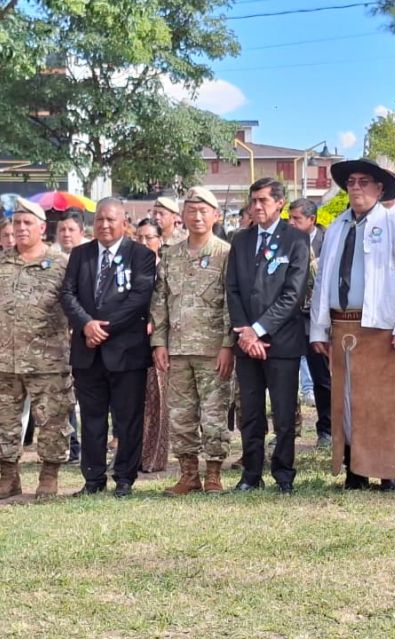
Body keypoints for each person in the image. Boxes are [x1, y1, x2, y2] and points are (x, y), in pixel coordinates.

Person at [310, 158, 395, 491]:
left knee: (386, 402)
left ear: (379, 188)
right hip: (342, 325)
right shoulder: (336, 227)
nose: (356, 188)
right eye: (351, 183)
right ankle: (356, 470)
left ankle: (390, 471)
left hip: (382, 327)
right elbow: (322, 281)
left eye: (364, 182)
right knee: (347, 402)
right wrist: (318, 329)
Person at [60, 198, 156, 498]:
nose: (104, 225)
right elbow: (67, 294)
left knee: (128, 419)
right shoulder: (80, 254)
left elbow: (139, 298)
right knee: (91, 419)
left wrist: (102, 329)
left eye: (110, 220)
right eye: (99, 219)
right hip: (87, 352)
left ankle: (124, 478)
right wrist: (86, 324)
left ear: (124, 223)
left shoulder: (140, 255)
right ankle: (93, 479)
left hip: (126, 351)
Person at [0, 198, 74, 499]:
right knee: (3, 419)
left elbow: (73, 306)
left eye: (27, 223)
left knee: (52, 420)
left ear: (42, 228)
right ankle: (9, 477)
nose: (21, 228)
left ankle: (49, 476)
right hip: (3, 359)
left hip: (48, 360)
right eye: (17, 222)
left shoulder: (61, 264)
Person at [225, 177, 310, 494]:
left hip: (281, 342)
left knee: (284, 414)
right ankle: (251, 473)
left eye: (263, 200)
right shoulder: (241, 240)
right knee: (250, 413)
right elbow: (233, 289)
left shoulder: (296, 240)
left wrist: (258, 330)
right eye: (254, 200)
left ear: (280, 203)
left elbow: (293, 294)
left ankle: (283, 473)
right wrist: (246, 334)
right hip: (246, 344)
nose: (257, 206)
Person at [152, 187, 235, 495]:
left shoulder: (225, 254)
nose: (197, 217)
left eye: (203, 211)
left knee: (214, 415)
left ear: (216, 215)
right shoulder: (170, 255)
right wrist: (159, 342)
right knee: (180, 416)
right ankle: (188, 474)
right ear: (182, 216)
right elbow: (160, 301)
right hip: (177, 349)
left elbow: (231, 303)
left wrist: (227, 345)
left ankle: (213, 473)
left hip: (213, 350)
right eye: (191, 211)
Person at [287, 198, 331, 448]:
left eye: (297, 219)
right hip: (290, 319)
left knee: (322, 377)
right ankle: (289, 429)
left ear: (312, 220)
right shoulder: (285, 242)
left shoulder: (327, 242)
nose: (292, 223)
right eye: (289, 218)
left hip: (317, 320)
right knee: (287, 377)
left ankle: (327, 429)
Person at [132, 219, 170, 473]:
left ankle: (154, 457)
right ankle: (132, 454)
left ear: (160, 240)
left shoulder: (164, 268)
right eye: (140, 237)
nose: (144, 242)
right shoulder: (129, 266)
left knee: (157, 401)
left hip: (158, 341)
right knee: (134, 402)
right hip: (131, 341)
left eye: (149, 237)